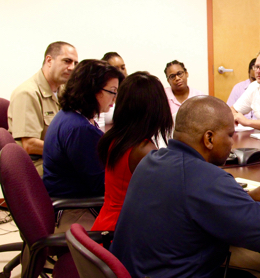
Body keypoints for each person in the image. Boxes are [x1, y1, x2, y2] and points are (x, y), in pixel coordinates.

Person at [110, 96, 260, 277]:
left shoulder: (151, 160)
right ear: (209, 138)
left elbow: (187, 201)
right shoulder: (208, 180)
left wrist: (246, 197)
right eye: (230, 135)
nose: (232, 143)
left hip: (138, 270)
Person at [43, 59, 124, 231]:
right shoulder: (79, 129)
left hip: (66, 200)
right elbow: (101, 185)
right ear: (93, 90)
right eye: (112, 91)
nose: (115, 99)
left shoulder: (69, 115)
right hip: (74, 209)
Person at [91, 72, 173, 232]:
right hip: (123, 235)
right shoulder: (143, 150)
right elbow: (167, 195)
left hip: (107, 226)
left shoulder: (116, 138)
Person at [8, 41, 78, 176]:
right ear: (49, 60)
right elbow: (30, 145)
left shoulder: (63, 91)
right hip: (38, 167)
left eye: (75, 63)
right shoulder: (27, 93)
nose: (72, 68)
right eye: (67, 61)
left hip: (56, 160)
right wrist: (70, 151)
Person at [97, 52, 129, 128]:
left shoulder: (131, 90)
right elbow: (99, 126)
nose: (121, 72)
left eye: (123, 68)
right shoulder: (102, 93)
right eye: (116, 69)